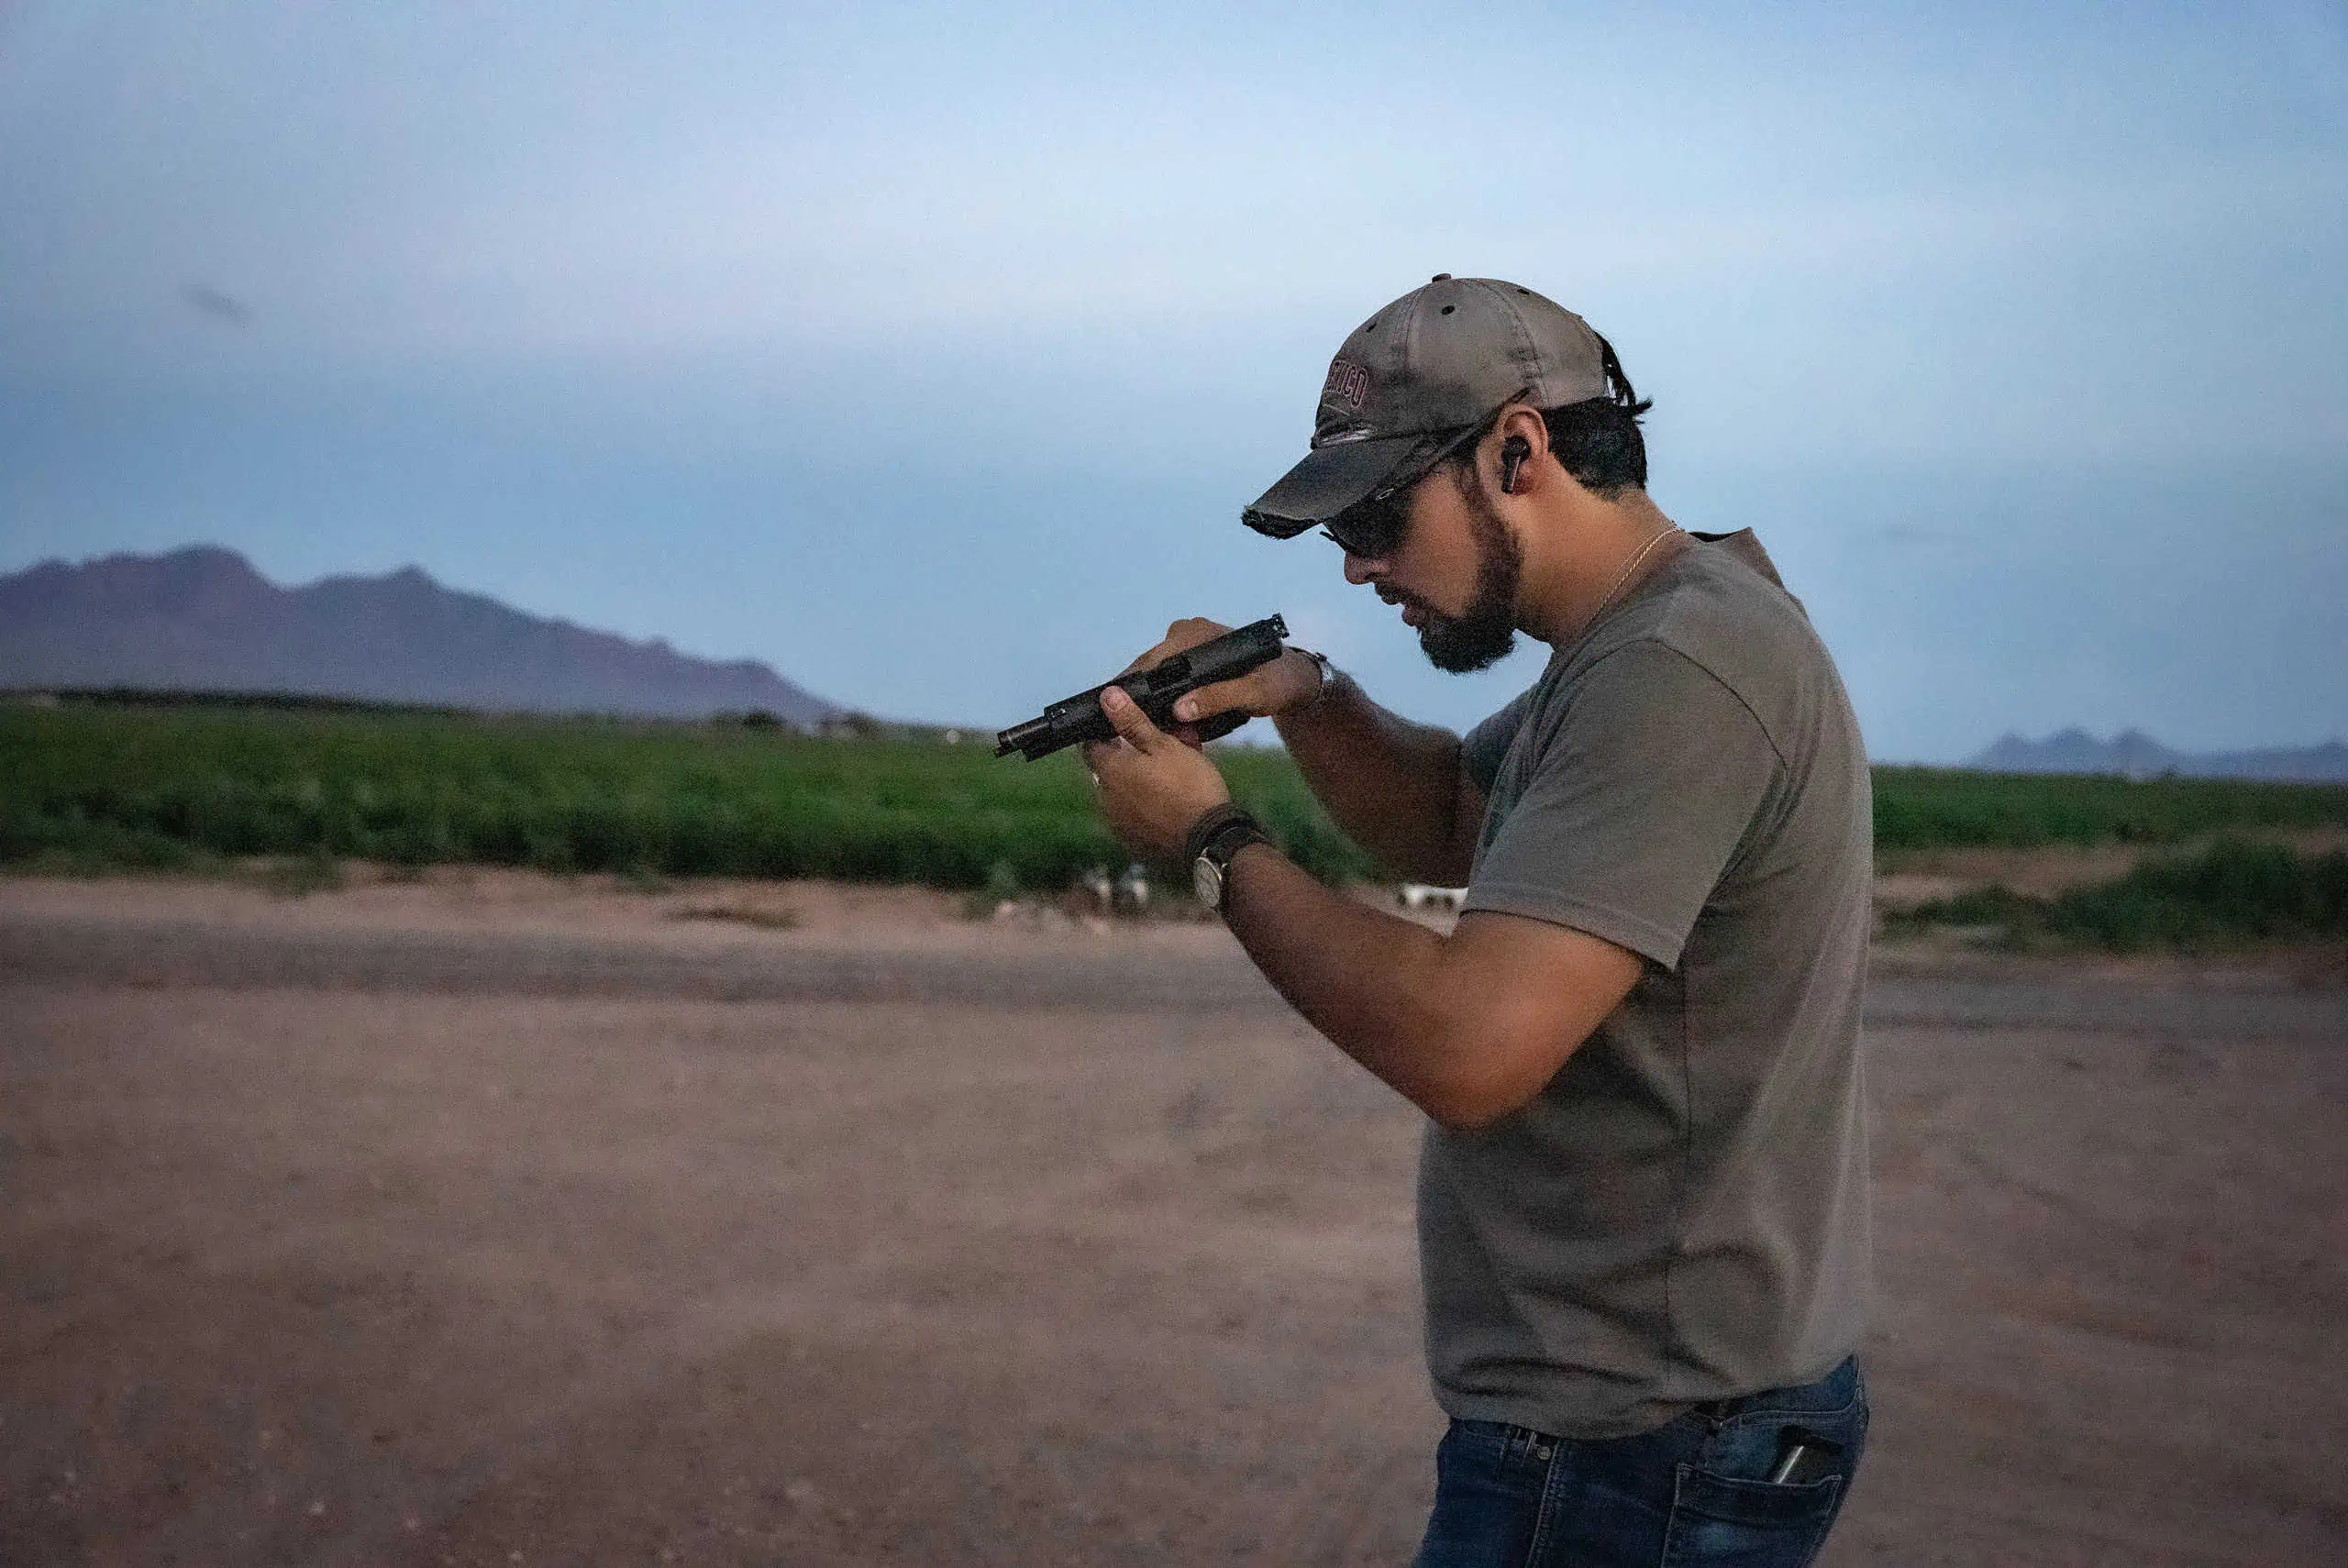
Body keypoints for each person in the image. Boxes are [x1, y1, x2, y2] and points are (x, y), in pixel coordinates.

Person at [1081, 275, 1873, 1568]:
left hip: (1639, 1440)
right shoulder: (1647, 643)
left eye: (1382, 515)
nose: (1357, 561)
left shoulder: (1675, 671)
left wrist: (1211, 844)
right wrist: (1296, 690)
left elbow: (1470, 1046)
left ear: (1519, 448)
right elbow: (1459, 813)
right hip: (1645, 1420)